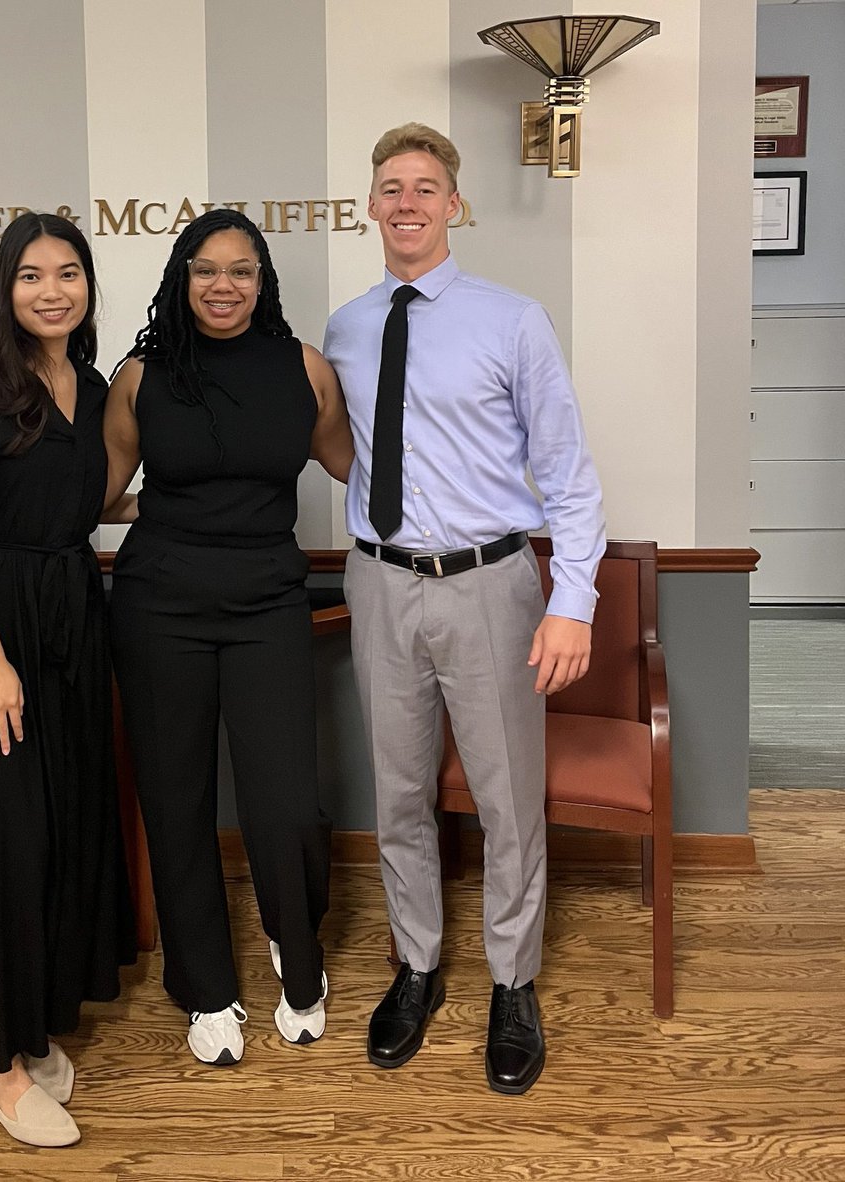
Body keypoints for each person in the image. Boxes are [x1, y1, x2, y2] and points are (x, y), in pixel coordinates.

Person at [323, 123, 605, 1094]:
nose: (406, 202)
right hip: (379, 582)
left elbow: (570, 475)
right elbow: (350, 449)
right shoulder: (347, 327)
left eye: (426, 186)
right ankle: (417, 966)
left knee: (506, 802)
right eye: (390, 186)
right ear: (372, 205)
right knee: (398, 793)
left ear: (455, 205)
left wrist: (572, 603)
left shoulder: (512, 320)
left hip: (491, 587)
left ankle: (512, 981)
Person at [103, 208, 353, 1066]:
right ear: (182, 276)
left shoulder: (304, 369)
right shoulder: (141, 376)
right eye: (206, 269)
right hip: (157, 604)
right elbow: (100, 493)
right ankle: (204, 985)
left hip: (266, 602)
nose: (223, 285)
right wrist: (159, 508)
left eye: (241, 270)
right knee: (175, 803)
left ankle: (297, 946)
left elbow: (357, 466)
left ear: (262, 280)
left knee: (285, 797)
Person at [0, 211, 136, 1147]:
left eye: (70, 273)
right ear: (5, 289)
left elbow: (78, 502)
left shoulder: (86, 385)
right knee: (4, 845)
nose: (53, 290)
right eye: (32, 275)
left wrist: (188, 489)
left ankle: (34, 1017)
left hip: (70, 617)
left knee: (59, 827)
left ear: (88, 286)